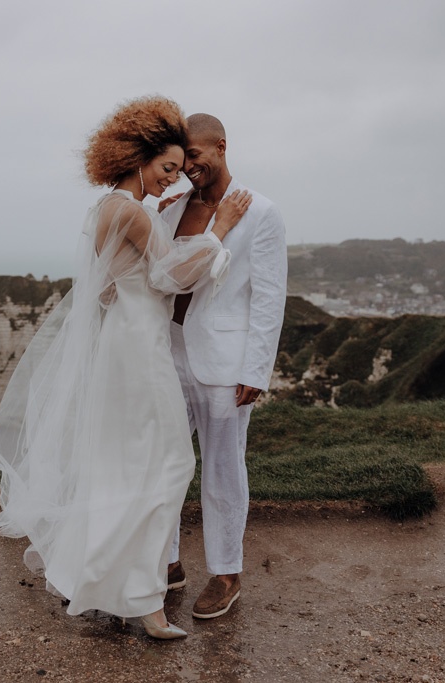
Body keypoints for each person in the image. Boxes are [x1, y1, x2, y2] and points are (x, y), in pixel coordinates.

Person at [0, 97, 252, 639]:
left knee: (123, 467)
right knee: (169, 464)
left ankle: (116, 585)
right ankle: (143, 600)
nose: (173, 180)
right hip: (141, 350)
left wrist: (163, 214)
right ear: (138, 158)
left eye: (179, 170)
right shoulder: (134, 213)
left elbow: (112, 285)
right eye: (166, 169)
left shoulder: (106, 209)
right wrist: (219, 228)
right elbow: (172, 276)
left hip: (120, 345)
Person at [159, 113, 287, 619]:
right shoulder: (172, 208)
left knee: (222, 468)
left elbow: (269, 296)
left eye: (195, 155)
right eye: (181, 157)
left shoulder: (261, 211)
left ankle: (227, 573)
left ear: (220, 146)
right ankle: (167, 563)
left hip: (226, 363)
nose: (188, 166)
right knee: (164, 462)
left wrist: (257, 369)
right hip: (168, 353)